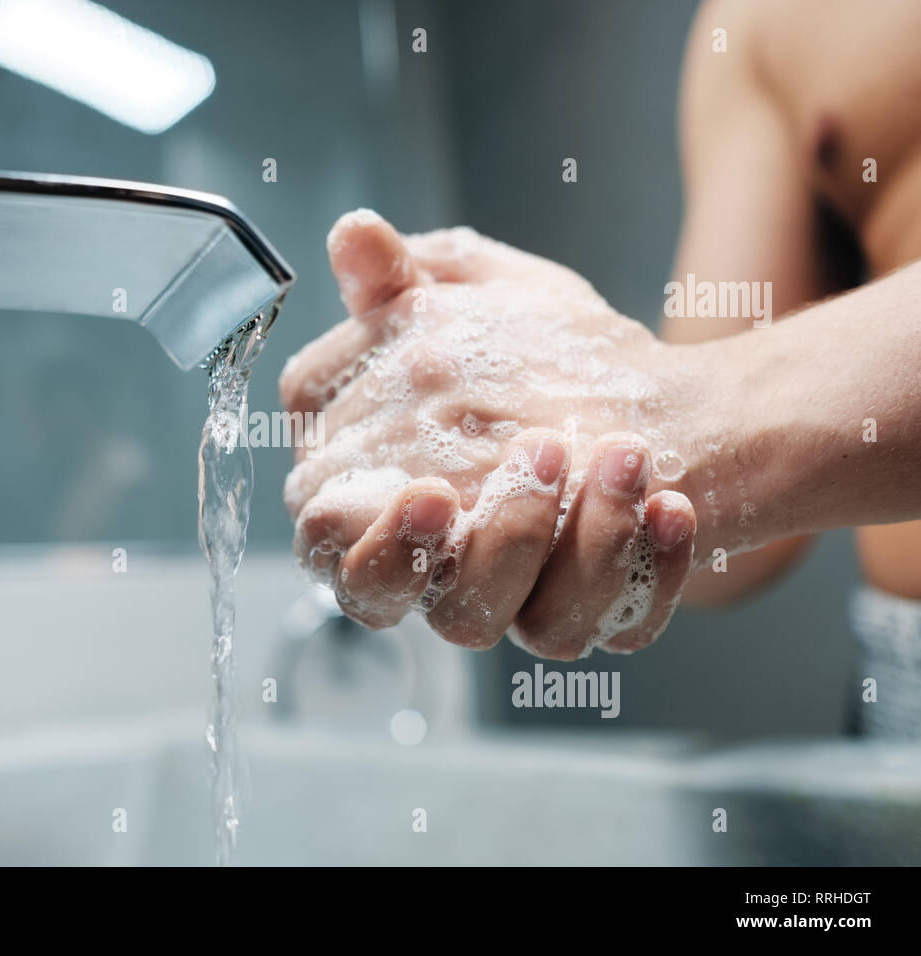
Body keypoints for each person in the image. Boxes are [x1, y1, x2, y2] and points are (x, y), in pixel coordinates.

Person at [277, 0, 921, 680]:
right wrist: (582, 464)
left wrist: (661, 409)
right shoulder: (755, 22)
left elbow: (711, 422)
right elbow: (735, 545)